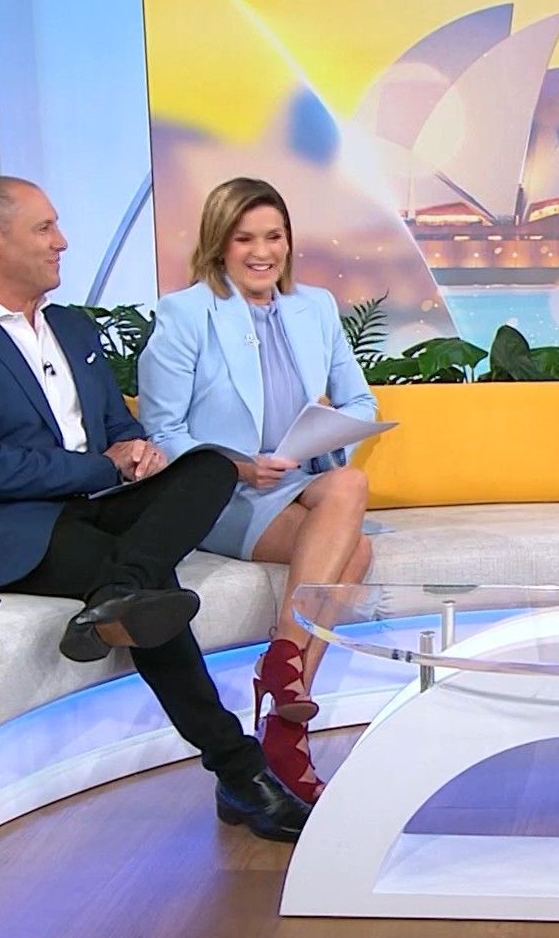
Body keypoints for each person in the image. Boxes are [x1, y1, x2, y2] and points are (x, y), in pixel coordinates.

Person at [0, 175, 309, 842]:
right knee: (147, 587)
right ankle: (240, 770)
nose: (62, 242)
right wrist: (104, 466)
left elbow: (117, 426)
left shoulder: (71, 326)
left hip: (96, 505)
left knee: (209, 468)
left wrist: (136, 452)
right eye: (44, 228)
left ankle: (117, 594)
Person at [137, 177, 378, 805]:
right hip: (222, 493)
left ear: (289, 242)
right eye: (245, 239)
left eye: (274, 236)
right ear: (219, 244)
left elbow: (360, 401)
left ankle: (281, 682)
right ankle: (287, 717)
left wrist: (319, 439)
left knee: (346, 480)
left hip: (300, 479)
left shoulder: (315, 308)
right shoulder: (186, 314)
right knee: (354, 551)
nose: (262, 252)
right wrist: (240, 467)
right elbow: (163, 432)